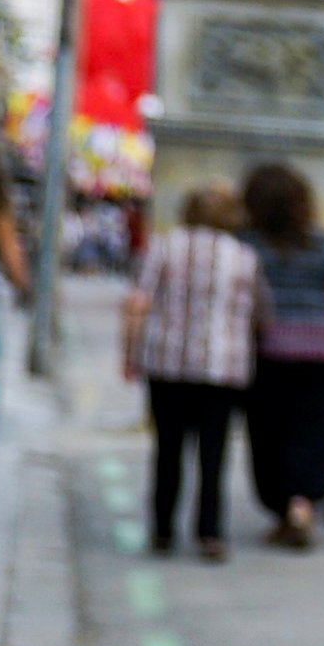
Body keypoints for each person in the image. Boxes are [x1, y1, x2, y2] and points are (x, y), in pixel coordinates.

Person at [123, 183, 257, 562]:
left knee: (168, 448)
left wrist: (129, 352)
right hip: (221, 366)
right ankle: (209, 533)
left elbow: (139, 302)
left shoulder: (164, 247)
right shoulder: (243, 256)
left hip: (167, 363)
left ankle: (163, 529)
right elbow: (254, 313)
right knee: (214, 454)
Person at [238, 161, 324, 550]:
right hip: (320, 354)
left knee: (269, 435)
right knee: (314, 433)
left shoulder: (245, 245)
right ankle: (302, 503)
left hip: (267, 353)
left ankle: (281, 509)